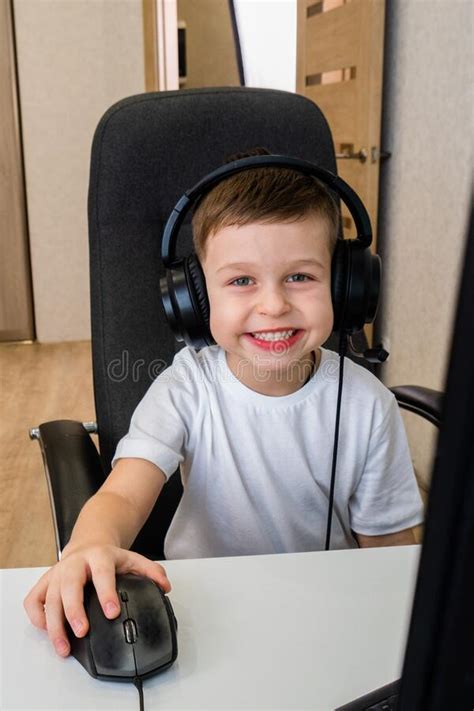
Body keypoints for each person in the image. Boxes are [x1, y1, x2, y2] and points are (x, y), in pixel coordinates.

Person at [24, 150, 424, 658]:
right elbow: (124, 496)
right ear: (195, 300)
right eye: (241, 281)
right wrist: (88, 545)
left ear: (346, 288)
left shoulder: (368, 406)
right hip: (205, 613)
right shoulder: (187, 387)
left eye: (301, 276)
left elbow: (390, 553)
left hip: (329, 617)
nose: (274, 305)